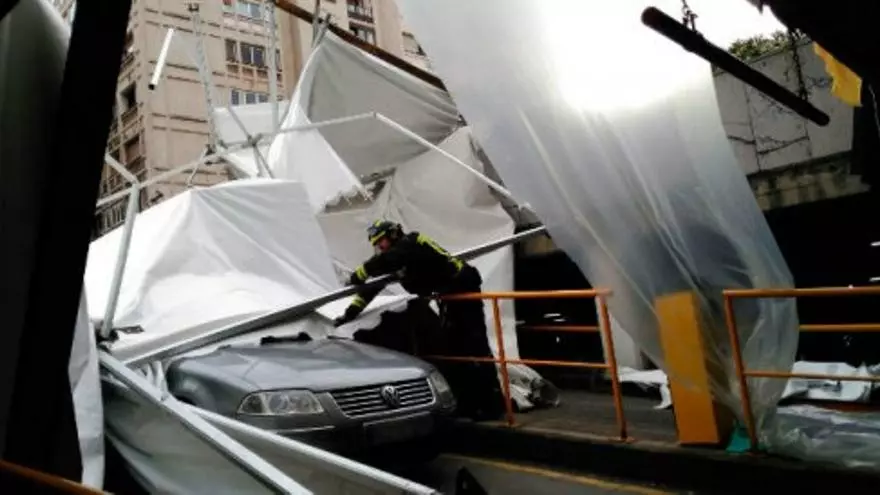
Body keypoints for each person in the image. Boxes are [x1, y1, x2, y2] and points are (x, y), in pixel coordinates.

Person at [334, 220, 505, 420]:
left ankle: (493, 406)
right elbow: (371, 289)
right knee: (456, 349)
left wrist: (359, 273)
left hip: (463, 290)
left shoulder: (411, 242)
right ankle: (470, 404)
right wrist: (349, 314)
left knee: (475, 345)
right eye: (377, 244)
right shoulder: (395, 258)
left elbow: (386, 260)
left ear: (393, 234)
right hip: (448, 298)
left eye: (381, 241)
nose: (380, 247)